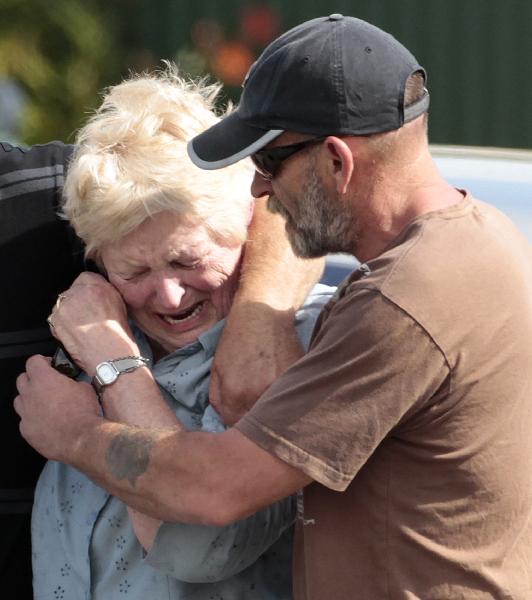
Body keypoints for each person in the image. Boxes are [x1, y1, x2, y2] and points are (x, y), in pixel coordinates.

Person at [15, 14, 532, 600]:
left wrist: (80, 426)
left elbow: (214, 500)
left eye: (269, 166)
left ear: (337, 161)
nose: (258, 194)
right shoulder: (483, 239)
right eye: (134, 270)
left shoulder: (397, 303)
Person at [0, 96, 322, 598]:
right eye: (135, 272)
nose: (169, 294)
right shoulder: (82, 327)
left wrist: (112, 367)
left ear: (243, 226)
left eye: (189, 260)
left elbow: (202, 546)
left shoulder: (297, 343)